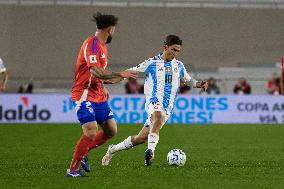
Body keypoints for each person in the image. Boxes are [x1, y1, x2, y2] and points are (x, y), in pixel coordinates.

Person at [101, 35, 208, 166]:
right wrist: (107, 80)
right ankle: (150, 152)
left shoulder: (179, 65)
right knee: (158, 118)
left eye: (177, 51)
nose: (175, 53)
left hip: (168, 108)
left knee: (141, 138)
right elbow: (128, 72)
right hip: (154, 101)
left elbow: (189, 80)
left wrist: (200, 84)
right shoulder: (152, 63)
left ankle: (112, 149)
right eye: (173, 50)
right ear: (165, 47)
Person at [66, 12, 137, 177]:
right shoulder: (92, 44)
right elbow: (95, 71)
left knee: (111, 130)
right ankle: (73, 170)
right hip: (84, 94)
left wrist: (104, 86)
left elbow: (97, 75)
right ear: (110, 29)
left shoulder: (102, 48)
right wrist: (121, 74)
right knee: (91, 131)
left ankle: (83, 152)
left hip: (97, 94)